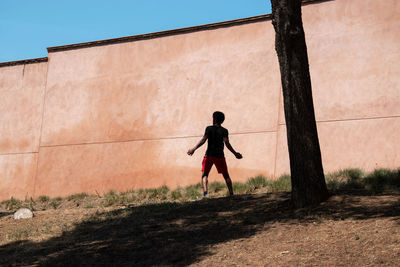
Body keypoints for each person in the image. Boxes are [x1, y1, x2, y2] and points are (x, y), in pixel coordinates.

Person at [187, 111, 242, 197]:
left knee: (205, 174)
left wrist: (193, 149)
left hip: (209, 155)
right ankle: (231, 194)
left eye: (213, 117)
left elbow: (203, 140)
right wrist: (235, 153)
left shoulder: (209, 129)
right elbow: (227, 144)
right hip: (220, 156)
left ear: (215, 119)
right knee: (226, 175)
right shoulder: (224, 131)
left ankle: (205, 194)